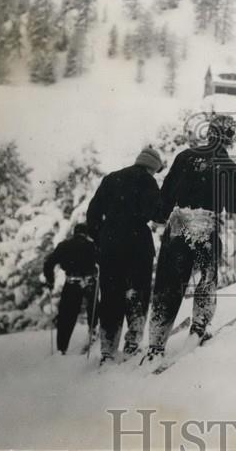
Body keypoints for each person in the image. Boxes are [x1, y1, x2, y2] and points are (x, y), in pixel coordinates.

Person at [144, 115, 236, 363]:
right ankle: (198, 329)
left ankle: (155, 346)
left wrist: (159, 216)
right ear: (230, 137)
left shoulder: (184, 157)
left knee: (167, 285)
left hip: (178, 225)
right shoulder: (228, 165)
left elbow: (164, 202)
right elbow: (234, 205)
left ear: (210, 133)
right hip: (206, 226)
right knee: (206, 281)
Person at [86, 147, 166, 364]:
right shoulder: (147, 181)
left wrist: (101, 238)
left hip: (110, 245)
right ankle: (132, 344)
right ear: (152, 167)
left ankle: (107, 350)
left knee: (110, 296)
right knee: (136, 293)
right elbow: (157, 213)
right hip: (137, 243)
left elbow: (92, 214)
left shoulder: (111, 178)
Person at [43, 223, 99, 355]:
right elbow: (103, 261)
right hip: (90, 282)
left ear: (74, 233)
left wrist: (50, 281)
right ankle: (93, 335)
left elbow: (48, 263)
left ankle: (62, 348)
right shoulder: (92, 245)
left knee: (66, 315)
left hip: (72, 282)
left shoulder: (64, 246)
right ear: (86, 234)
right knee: (94, 310)